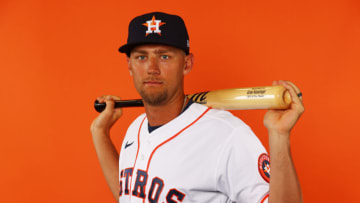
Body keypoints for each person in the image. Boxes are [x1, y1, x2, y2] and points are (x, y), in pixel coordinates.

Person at [90, 12, 304, 203]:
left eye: (164, 56)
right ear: (129, 65)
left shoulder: (227, 135)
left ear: (187, 64)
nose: (151, 68)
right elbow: (128, 195)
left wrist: (279, 135)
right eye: (141, 57)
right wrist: (100, 133)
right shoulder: (134, 129)